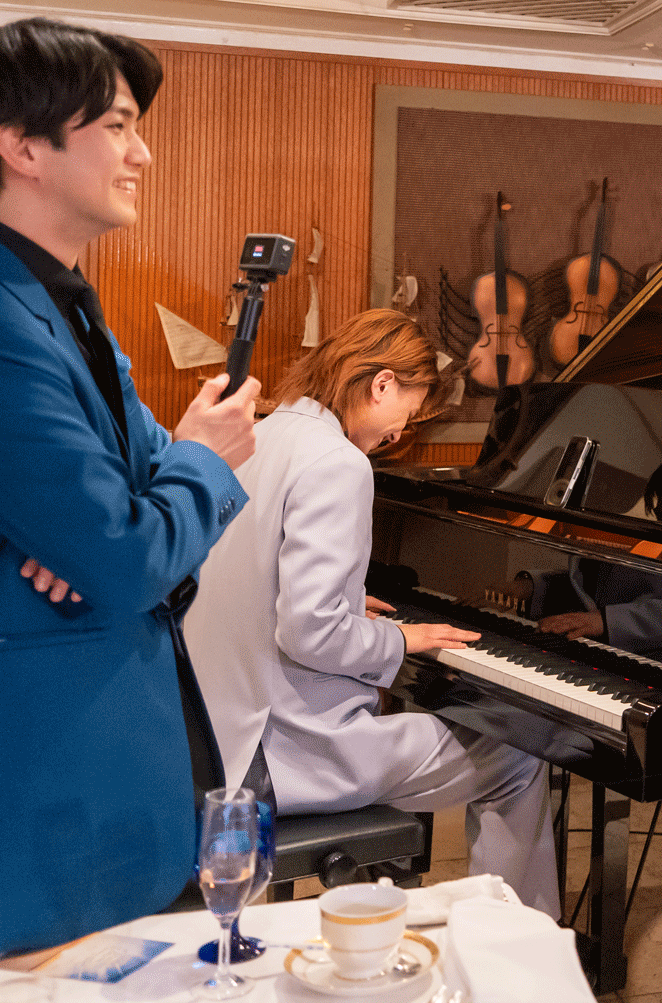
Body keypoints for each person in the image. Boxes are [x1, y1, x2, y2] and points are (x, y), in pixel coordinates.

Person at [0, 17, 260, 957]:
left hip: (107, 768)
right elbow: (128, 553)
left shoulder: (48, 299)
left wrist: (111, 534)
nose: (143, 153)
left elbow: (128, 523)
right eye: (118, 126)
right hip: (37, 789)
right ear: (22, 146)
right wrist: (200, 461)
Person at [184, 309, 561, 916]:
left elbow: (240, 571)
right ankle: (510, 947)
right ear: (381, 384)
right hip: (284, 753)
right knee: (520, 754)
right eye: (407, 411)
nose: (399, 432)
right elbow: (309, 632)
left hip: (212, 738)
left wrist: (342, 601)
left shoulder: (258, 436)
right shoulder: (338, 462)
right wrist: (403, 639)